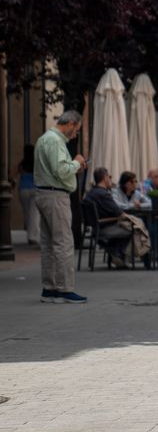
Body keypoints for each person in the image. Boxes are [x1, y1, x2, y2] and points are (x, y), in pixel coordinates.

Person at [34, 110, 87, 303]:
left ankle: (49, 288)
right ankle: (64, 289)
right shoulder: (56, 141)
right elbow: (61, 170)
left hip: (43, 193)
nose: (76, 134)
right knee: (64, 242)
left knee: (49, 243)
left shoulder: (43, 139)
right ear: (70, 123)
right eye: (77, 129)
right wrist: (76, 163)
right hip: (56, 196)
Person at [82, 168, 134, 268]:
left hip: (96, 228)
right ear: (105, 177)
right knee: (131, 230)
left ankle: (115, 252)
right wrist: (130, 218)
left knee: (126, 226)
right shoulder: (103, 194)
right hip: (104, 228)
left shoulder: (91, 193)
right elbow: (119, 213)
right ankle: (117, 253)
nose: (110, 179)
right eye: (109, 177)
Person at [16, 145, 40, 245]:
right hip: (34, 190)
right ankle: (32, 236)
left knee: (27, 213)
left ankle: (29, 232)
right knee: (34, 214)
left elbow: (14, 174)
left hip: (23, 190)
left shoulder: (22, 164)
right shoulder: (36, 163)